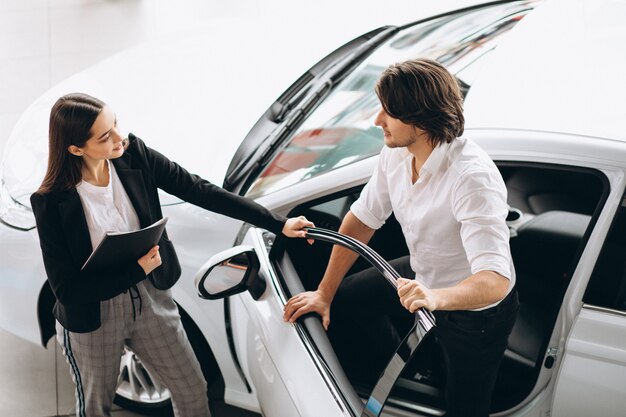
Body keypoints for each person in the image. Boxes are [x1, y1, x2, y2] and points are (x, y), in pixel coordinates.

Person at [31, 92, 313, 417]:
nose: (120, 138)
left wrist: (278, 223)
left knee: (193, 393)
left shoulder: (133, 153)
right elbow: (67, 290)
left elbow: (198, 189)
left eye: (116, 124)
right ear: (76, 149)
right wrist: (136, 270)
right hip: (94, 316)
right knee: (95, 409)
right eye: (105, 136)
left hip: (152, 300)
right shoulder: (51, 203)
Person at [283, 58, 518, 417]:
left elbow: (496, 280)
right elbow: (363, 219)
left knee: (465, 406)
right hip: (423, 275)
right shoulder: (396, 153)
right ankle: (419, 364)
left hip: (475, 313)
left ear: (420, 120)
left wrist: (434, 298)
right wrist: (323, 294)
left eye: (388, 112)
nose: (377, 120)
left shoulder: (472, 179)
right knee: (348, 299)